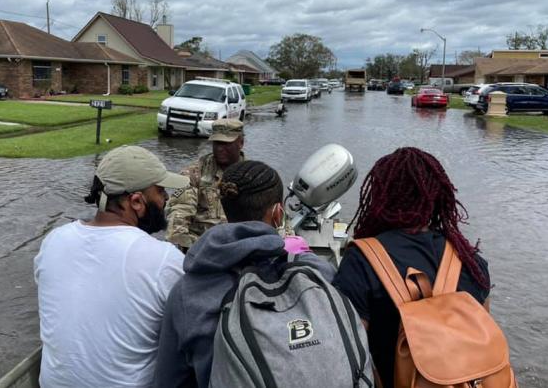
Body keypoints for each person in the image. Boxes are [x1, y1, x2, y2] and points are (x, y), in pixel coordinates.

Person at [154, 160, 335, 388]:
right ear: (278, 213)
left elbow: (169, 380)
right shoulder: (317, 275)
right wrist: (295, 248)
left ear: (224, 210)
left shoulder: (186, 293)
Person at [333, 147, 491, 388]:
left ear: (378, 197)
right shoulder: (469, 260)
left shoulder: (362, 260)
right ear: (437, 196)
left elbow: (345, 350)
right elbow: (483, 336)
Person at [34, 145, 189, 388]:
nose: (166, 199)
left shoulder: (54, 240)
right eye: (160, 191)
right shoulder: (164, 259)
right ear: (136, 201)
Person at [165, 118, 245, 251]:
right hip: (202, 249)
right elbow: (178, 217)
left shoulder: (254, 175)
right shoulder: (194, 173)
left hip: (241, 247)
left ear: (241, 143)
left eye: (226, 144)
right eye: (216, 143)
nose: (220, 149)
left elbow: (269, 214)